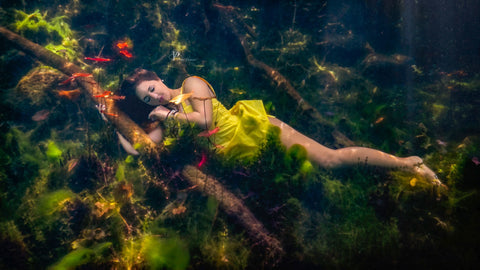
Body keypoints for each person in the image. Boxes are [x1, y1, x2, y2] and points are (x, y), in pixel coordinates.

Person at [119, 68, 441, 185]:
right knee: (320, 177)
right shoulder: (166, 116)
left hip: (260, 131)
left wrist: (164, 115)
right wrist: (113, 123)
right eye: (147, 99)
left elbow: (205, 120)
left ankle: (407, 165)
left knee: (331, 160)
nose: (153, 97)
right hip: (251, 160)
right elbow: (140, 149)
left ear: (158, 78)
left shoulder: (191, 84)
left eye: (151, 88)